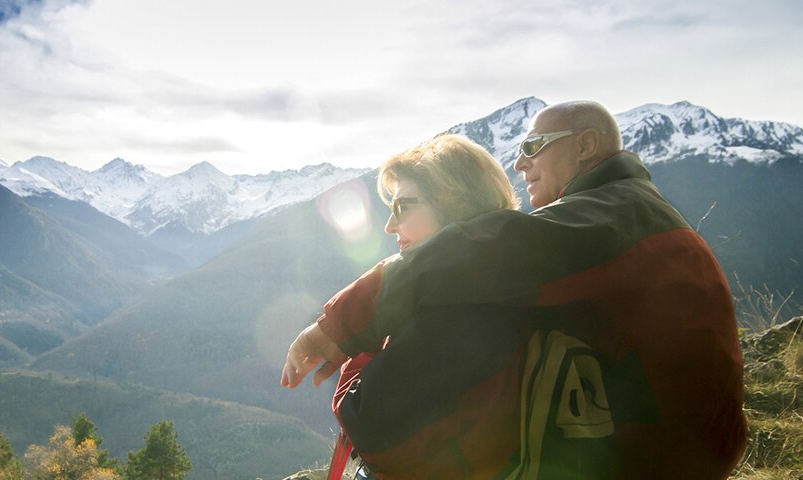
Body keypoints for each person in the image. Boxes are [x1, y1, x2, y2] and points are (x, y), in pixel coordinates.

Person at [286, 100, 748, 479]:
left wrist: (344, 333)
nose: (519, 161)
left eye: (532, 146)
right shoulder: (630, 210)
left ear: (586, 145)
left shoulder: (605, 220)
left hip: (652, 458)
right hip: (685, 450)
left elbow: (477, 250)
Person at [282, 133, 527, 478]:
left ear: (453, 204)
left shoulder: (454, 307)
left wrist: (361, 351)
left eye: (401, 208)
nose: (389, 225)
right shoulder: (500, 280)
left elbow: (367, 422)